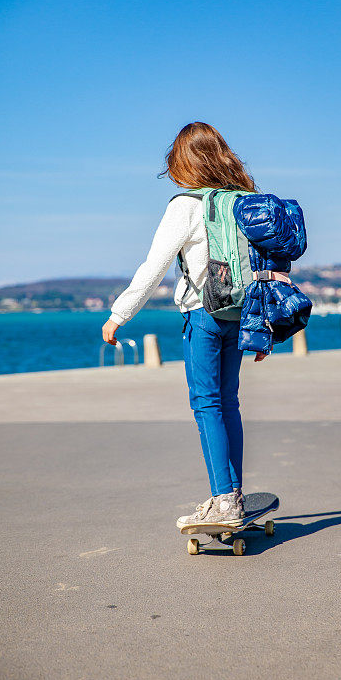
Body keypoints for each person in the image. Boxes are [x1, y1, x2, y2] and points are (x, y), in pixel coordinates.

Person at [102, 122, 267, 528]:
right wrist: (263, 327)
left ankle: (223, 500)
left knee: (206, 404)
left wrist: (119, 313)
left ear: (185, 162)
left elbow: (154, 267)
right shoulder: (247, 202)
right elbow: (266, 266)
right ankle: (235, 494)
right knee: (229, 402)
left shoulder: (186, 205)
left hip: (203, 314)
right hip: (242, 314)